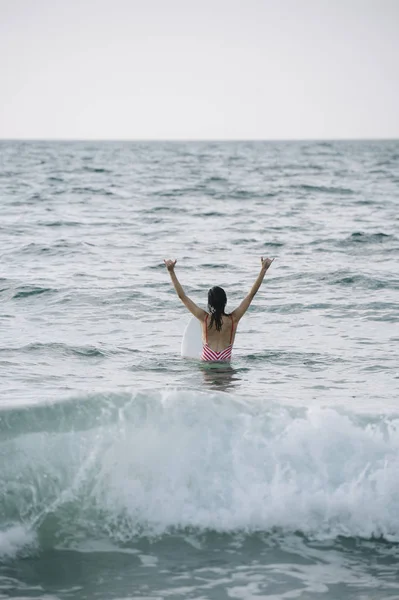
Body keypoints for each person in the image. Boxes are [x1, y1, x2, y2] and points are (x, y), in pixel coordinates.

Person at [164, 257, 274, 362]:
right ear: (225, 302)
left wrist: (171, 271)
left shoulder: (204, 319)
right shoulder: (233, 319)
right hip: (225, 366)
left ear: (209, 303)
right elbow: (251, 295)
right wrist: (263, 270)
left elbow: (182, 297)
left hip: (207, 365)